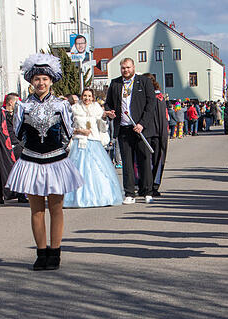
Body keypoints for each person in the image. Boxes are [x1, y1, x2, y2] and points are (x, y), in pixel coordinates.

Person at [6, 53, 84, 270]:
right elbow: (18, 132)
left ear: (51, 81)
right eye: (37, 79)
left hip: (56, 161)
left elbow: (68, 133)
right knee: (36, 209)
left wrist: (57, 150)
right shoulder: (22, 106)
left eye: (44, 79)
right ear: (31, 81)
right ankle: (41, 253)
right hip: (31, 161)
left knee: (56, 208)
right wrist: (31, 148)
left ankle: (55, 252)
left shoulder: (61, 105)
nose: (41, 83)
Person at [104, 57, 157, 204]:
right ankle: (129, 193)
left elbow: (151, 104)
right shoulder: (115, 83)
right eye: (123, 68)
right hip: (123, 128)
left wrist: (142, 123)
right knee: (127, 163)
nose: (126, 70)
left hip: (140, 128)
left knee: (144, 160)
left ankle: (147, 191)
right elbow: (108, 103)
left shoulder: (144, 82)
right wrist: (110, 112)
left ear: (133, 67)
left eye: (128, 67)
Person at [63, 88, 122, 208]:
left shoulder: (97, 108)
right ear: (81, 96)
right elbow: (68, 127)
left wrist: (105, 117)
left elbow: (102, 127)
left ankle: (100, 197)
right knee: (79, 170)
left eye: (89, 96)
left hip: (94, 141)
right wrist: (80, 131)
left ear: (93, 97)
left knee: (97, 170)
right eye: (85, 95)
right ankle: (77, 198)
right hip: (80, 142)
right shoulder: (74, 108)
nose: (87, 98)